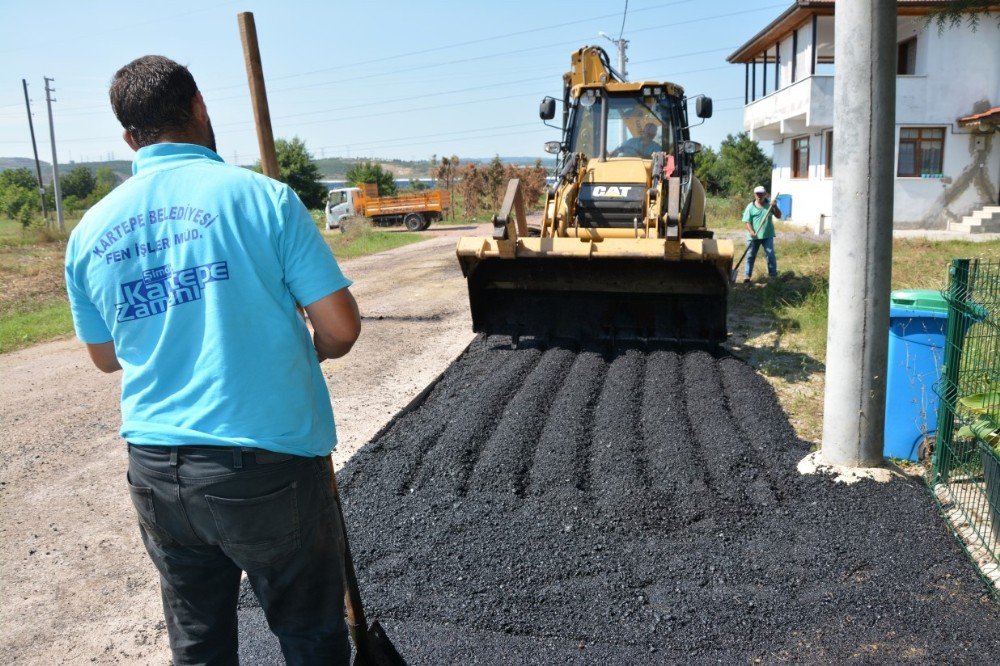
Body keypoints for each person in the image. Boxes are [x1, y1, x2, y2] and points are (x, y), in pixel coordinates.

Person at [63, 55, 361, 665]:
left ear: (128, 137)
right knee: (310, 636)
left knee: (199, 645)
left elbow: (104, 359)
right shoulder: (265, 200)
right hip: (267, 465)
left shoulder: (89, 231)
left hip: (155, 470)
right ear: (200, 106)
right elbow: (341, 328)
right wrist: (308, 353)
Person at [741, 185, 782, 283]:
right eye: (757, 194)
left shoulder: (770, 205)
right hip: (754, 236)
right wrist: (751, 231)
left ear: (765, 194)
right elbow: (747, 221)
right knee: (750, 256)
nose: (759, 195)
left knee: (770, 255)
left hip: (767, 235)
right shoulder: (750, 207)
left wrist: (775, 206)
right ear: (754, 195)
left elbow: (779, 215)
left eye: (761, 194)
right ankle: (747, 276)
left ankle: (772, 276)